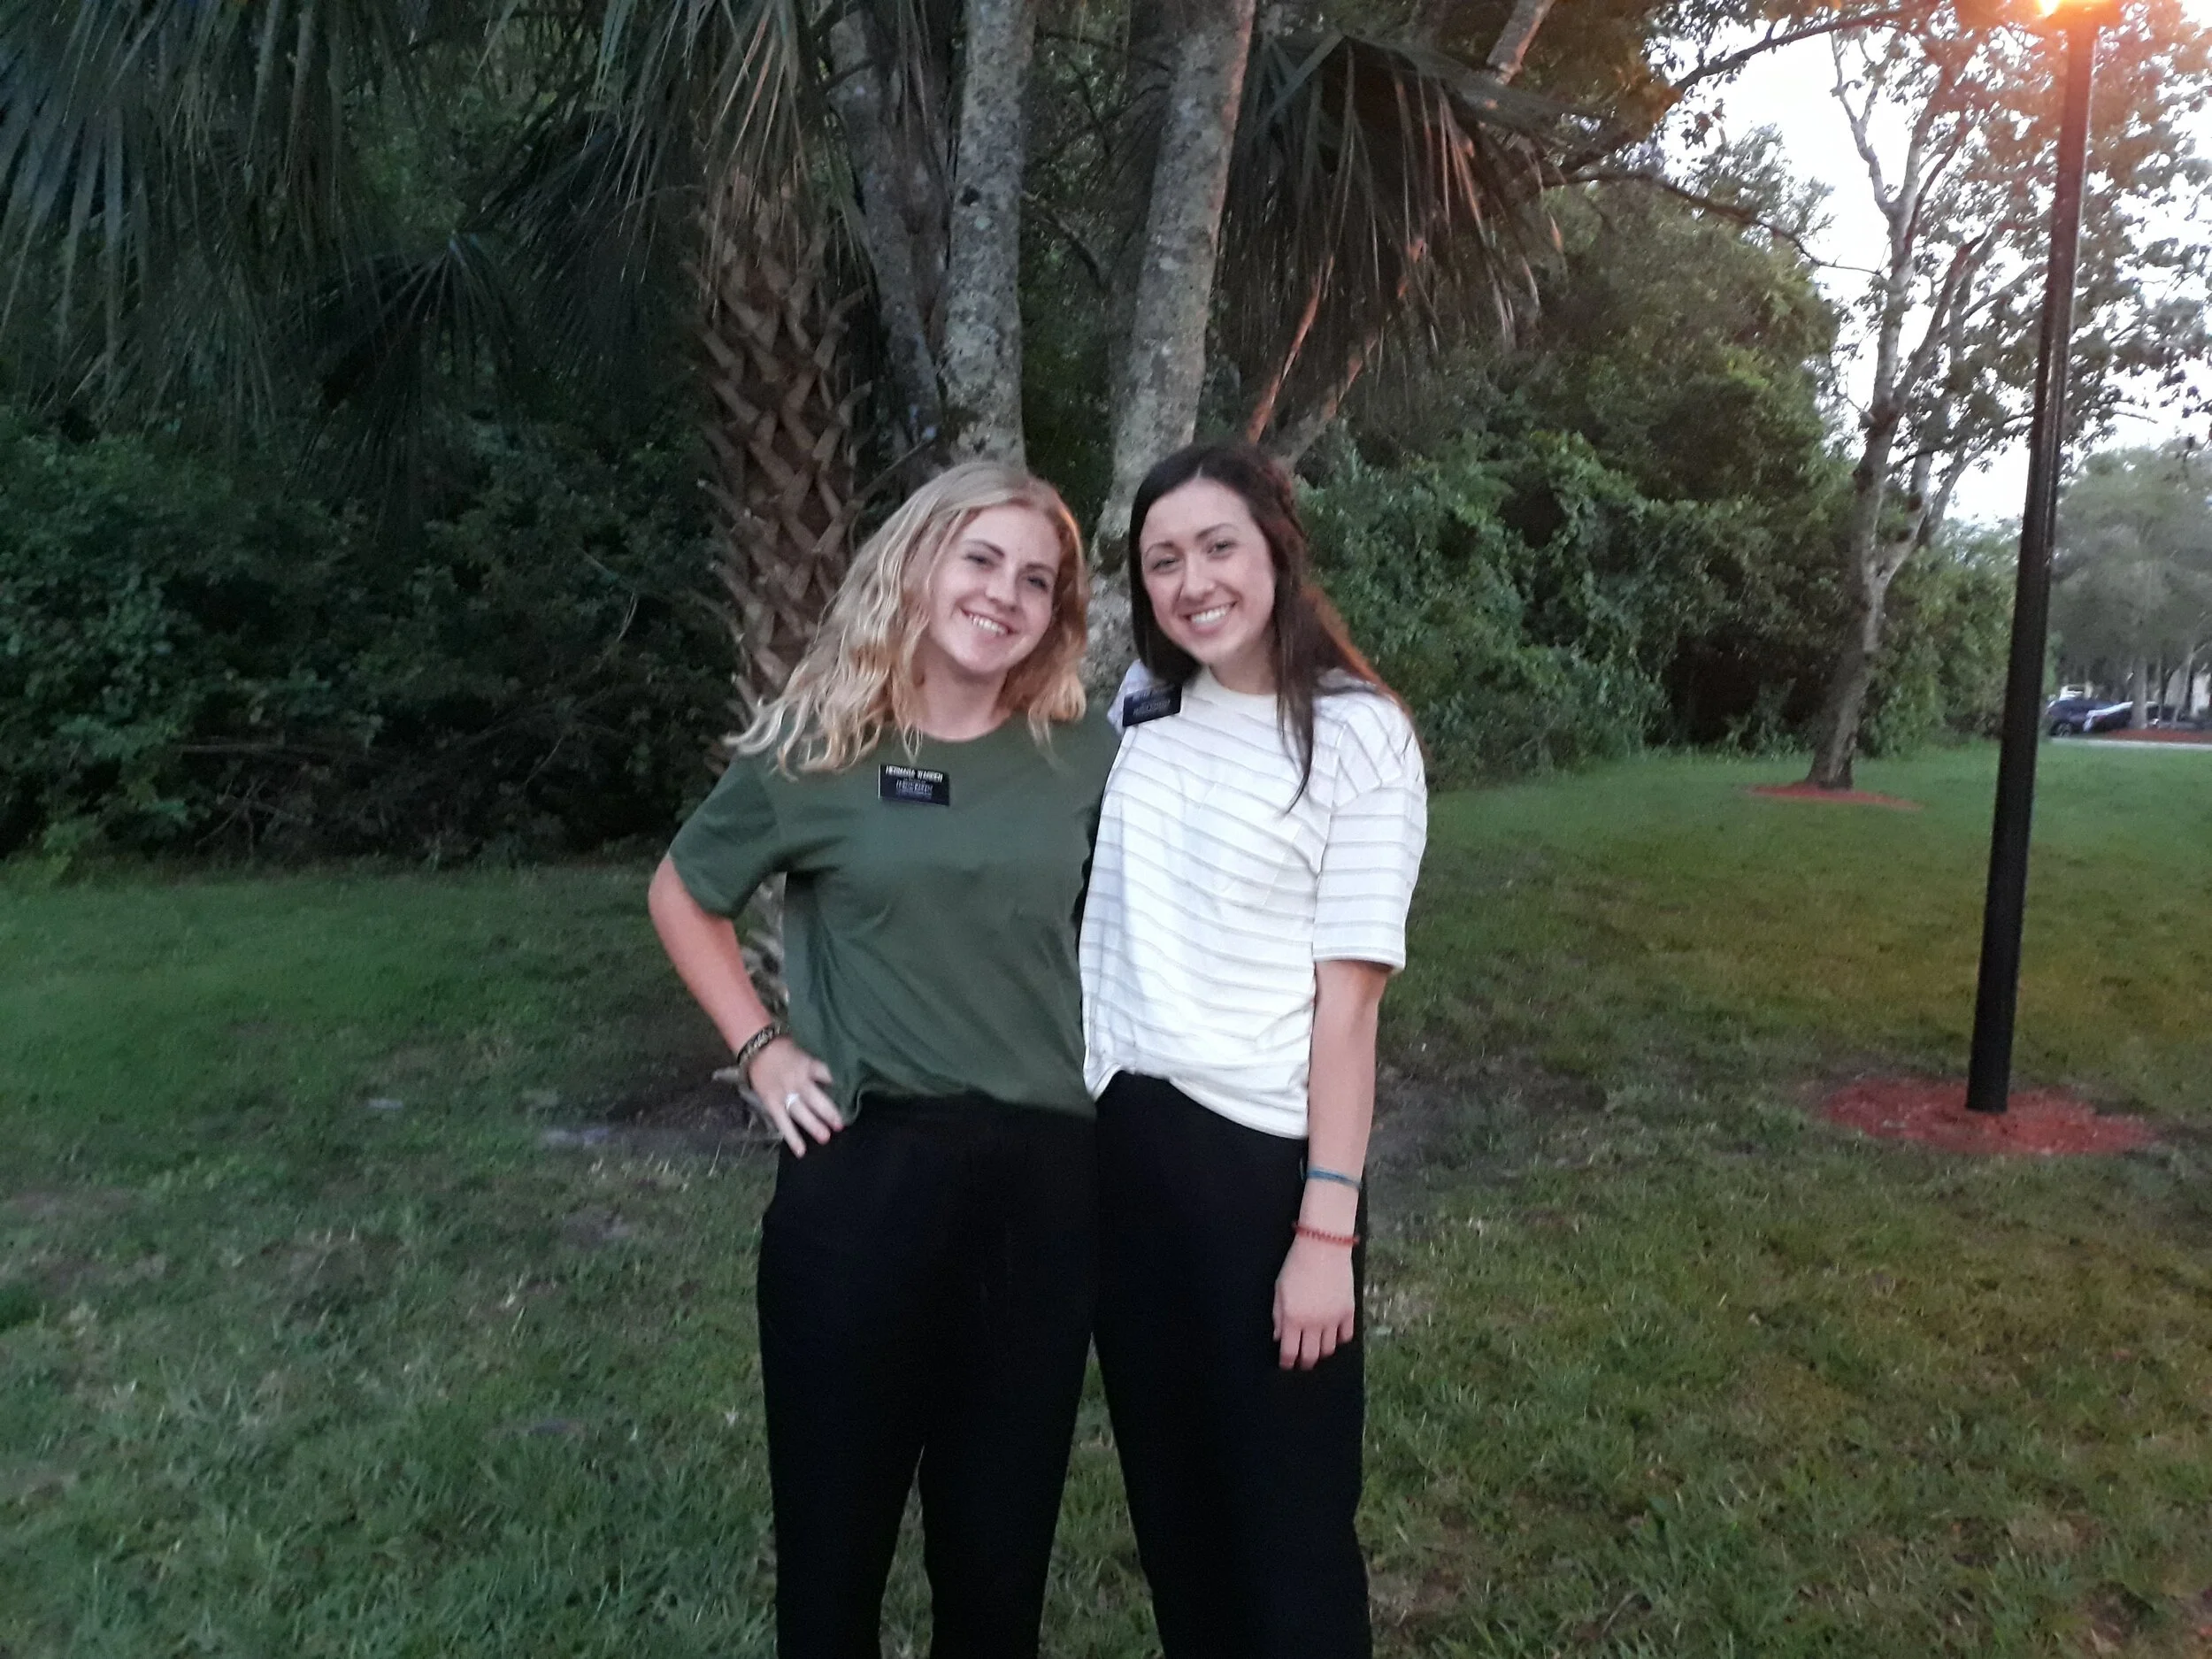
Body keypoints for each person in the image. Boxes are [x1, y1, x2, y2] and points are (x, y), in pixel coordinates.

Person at [648, 460, 1118, 1659]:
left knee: (997, 1564)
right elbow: (683, 891)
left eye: (1036, 580)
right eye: (980, 559)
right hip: (866, 1176)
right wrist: (761, 1048)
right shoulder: (818, 748)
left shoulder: (1085, 759)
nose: (1004, 594)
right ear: (916, 564)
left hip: (1044, 1182)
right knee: (832, 1559)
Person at [1080, 440, 1428, 1659]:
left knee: (1288, 1531)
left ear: (1277, 547)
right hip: (1124, 1145)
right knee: (1175, 1514)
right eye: (1163, 560)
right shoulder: (1143, 704)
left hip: (1262, 1166)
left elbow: (1352, 1007)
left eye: (1218, 546)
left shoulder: (1358, 736)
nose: (1193, 582)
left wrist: (1324, 1234)